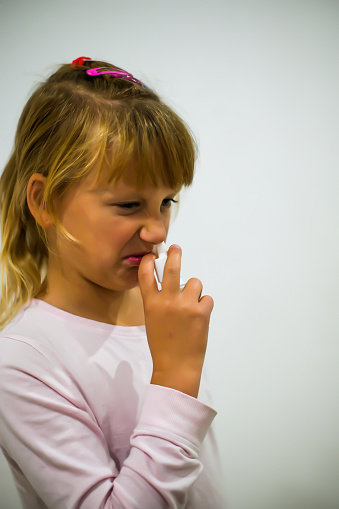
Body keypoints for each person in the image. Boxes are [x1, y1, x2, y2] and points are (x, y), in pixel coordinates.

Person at [0, 57, 223, 508]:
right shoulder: (22, 363)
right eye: (127, 205)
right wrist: (176, 380)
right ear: (44, 202)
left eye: (167, 201)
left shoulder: (156, 313)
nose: (159, 230)